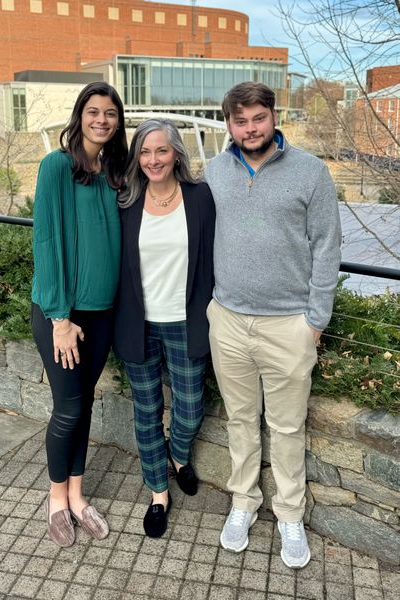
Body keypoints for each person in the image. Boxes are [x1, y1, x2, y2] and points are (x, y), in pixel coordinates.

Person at [205, 82, 341, 568]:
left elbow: (327, 247)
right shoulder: (215, 171)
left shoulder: (311, 172)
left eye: (257, 118)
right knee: (240, 421)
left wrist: (315, 322)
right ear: (229, 124)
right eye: (240, 121)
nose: (250, 129)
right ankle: (243, 503)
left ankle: (290, 515)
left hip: (289, 325)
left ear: (273, 116)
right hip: (229, 320)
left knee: (286, 427)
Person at [31, 82, 128, 547]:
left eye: (110, 113)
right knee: (68, 407)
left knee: (84, 401)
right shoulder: (57, 166)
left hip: (103, 313)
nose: (102, 120)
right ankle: (54, 498)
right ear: (80, 115)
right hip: (63, 314)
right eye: (94, 111)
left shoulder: (116, 172)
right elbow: (46, 242)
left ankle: (77, 493)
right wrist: (59, 318)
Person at [114, 119, 215, 538]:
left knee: (190, 408)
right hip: (138, 322)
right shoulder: (125, 202)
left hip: (187, 320)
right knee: (147, 411)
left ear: (176, 152)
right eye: (144, 151)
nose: (153, 159)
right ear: (137, 157)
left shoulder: (200, 197)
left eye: (161, 150)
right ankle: (158, 492)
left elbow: (213, 257)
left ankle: (178, 454)